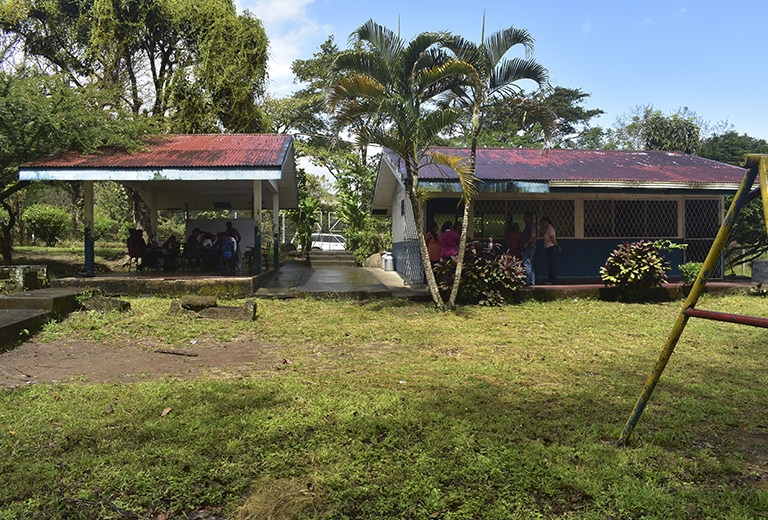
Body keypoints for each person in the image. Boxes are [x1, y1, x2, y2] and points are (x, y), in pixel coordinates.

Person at [541, 216, 562, 284]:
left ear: (547, 222)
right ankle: (550, 280)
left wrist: (557, 246)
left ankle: (553, 280)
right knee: (550, 264)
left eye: (543, 223)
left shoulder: (550, 229)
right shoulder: (547, 228)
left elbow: (552, 239)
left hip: (551, 247)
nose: (542, 225)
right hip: (548, 248)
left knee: (551, 264)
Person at [521, 212, 537, 286]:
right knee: (530, 263)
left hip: (529, 246)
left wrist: (527, 243)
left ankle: (526, 281)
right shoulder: (529, 225)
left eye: (525, 217)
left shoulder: (531, 225)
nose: (523, 219)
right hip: (530, 246)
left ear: (528, 217)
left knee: (527, 263)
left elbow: (532, 235)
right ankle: (532, 280)